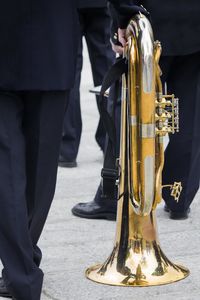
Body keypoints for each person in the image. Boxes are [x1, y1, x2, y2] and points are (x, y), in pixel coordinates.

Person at [0, 1, 143, 299]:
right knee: (41, 161)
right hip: (52, 36)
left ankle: (21, 270)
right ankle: (22, 265)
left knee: (6, 164)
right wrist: (125, 12)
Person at [72, 0, 200, 220]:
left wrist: (119, 23)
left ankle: (116, 195)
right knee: (191, 112)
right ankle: (179, 196)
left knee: (130, 106)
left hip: (150, 18)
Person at [59, 0, 115, 168]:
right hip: (101, 4)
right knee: (106, 68)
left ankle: (68, 146)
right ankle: (110, 138)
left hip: (68, 7)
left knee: (70, 71)